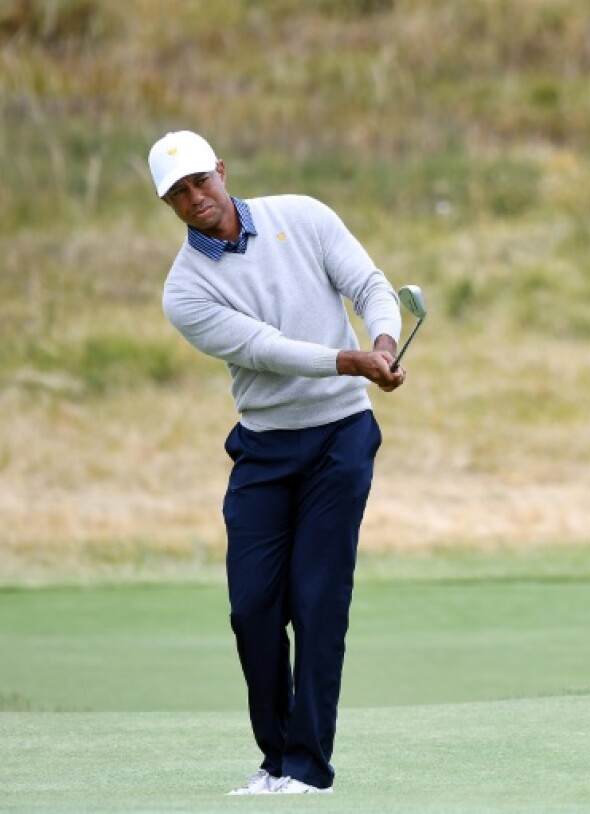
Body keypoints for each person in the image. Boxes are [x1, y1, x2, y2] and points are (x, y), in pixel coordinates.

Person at [148, 130, 406, 795]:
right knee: (252, 607)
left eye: (200, 180)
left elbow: (370, 285)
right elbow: (265, 349)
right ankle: (274, 758)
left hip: (340, 436)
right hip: (264, 447)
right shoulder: (185, 291)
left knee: (319, 600)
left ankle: (306, 768)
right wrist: (351, 361)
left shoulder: (304, 216)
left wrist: (382, 338)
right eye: (178, 193)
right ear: (168, 205)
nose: (195, 197)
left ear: (222, 171)